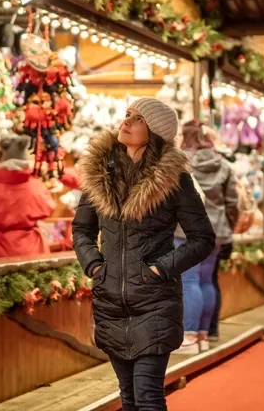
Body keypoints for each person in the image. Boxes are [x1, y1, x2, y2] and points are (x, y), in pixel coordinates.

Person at [73, 98, 215, 411]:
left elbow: (203, 238)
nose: (126, 122)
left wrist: (160, 269)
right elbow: (81, 230)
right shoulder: (100, 175)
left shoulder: (174, 180)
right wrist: (95, 266)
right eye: (127, 115)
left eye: (138, 119)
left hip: (155, 301)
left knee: (148, 395)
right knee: (128, 397)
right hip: (110, 302)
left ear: (154, 133)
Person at [175, 120, 239, 353]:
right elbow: (232, 202)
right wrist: (227, 226)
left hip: (187, 231)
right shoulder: (223, 164)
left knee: (189, 281)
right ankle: (203, 335)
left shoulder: (180, 162)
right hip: (217, 230)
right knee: (205, 280)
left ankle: (189, 337)